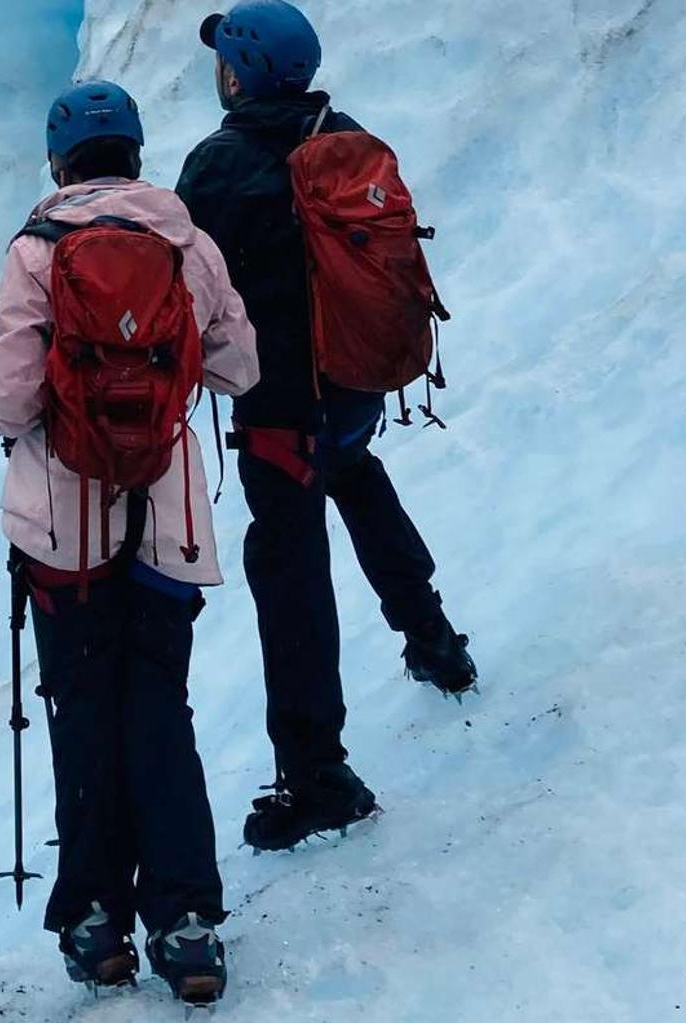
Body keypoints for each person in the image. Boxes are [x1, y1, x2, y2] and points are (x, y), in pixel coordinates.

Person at [173, 0, 479, 854]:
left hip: (279, 410)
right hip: (351, 384)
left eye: (225, 59)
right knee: (357, 471)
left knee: (290, 573)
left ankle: (318, 775)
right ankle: (435, 639)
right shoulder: (344, 137)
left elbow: (186, 284)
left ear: (240, 73)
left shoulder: (221, 165)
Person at [0, 80, 258, 1004]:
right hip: (167, 525)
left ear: (59, 161)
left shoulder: (34, 252)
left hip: (65, 530)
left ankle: (95, 921)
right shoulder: (188, 244)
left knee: (83, 710)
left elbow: (12, 398)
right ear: (136, 153)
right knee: (159, 707)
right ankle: (186, 922)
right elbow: (239, 366)